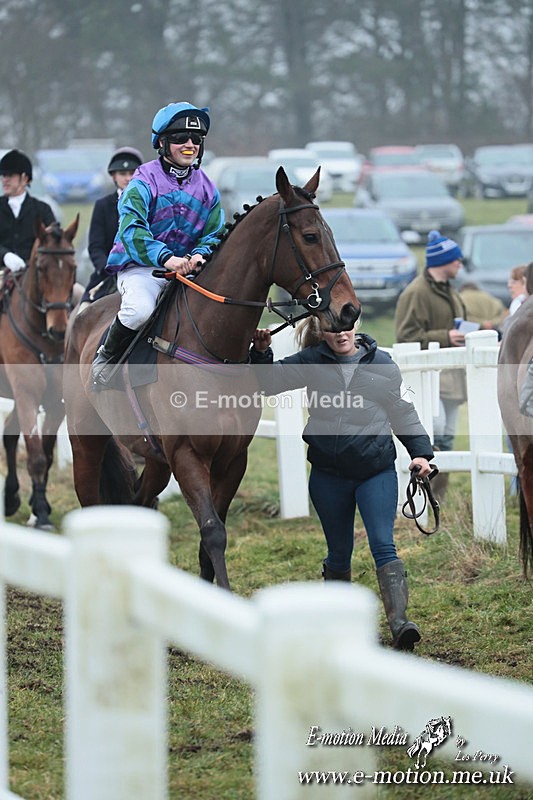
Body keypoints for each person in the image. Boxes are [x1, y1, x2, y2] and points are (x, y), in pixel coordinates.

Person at [250, 319, 434, 651]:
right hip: (328, 476)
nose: (341, 334)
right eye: (333, 329)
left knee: (383, 545)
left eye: (347, 327)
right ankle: (339, 626)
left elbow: (403, 412)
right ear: (321, 333)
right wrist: (261, 352)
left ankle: (399, 623)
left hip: (375, 471)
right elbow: (269, 384)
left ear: (356, 327)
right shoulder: (311, 361)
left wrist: (421, 454)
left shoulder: (383, 365)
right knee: (339, 552)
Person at [92, 101, 226, 384]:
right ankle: (106, 357)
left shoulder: (208, 188)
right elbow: (132, 231)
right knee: (139, 310)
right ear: (162, 143)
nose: (189, 145)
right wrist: (167, 258)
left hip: (189, 272)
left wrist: (201, 254)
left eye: (196, 140)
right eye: (180, 139)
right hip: (142, 270)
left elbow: (214, 232)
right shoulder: (141, 183)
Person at [395, 230, 467, 501]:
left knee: (447, 440)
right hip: (428, 381)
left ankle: (439, 499)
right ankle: (425, 498)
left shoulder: (450, 289)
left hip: (451, 378)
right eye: (455, 259)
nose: (460, 263)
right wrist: (444, 336)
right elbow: (406, 336)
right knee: (434, 441)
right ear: (443, 261)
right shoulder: (416, 292)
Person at [80, 146, 144, 308]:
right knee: (83, 312)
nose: (128, 178)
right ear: (113, 176)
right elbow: (95, 246)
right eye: (123, 174)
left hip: (141, 272)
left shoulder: (149, 203)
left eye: (132, 174)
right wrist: (107, 267)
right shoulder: (102, 205)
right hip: (107, 275)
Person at [0, 149, 56, 279]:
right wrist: (5, 255)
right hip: (2, 272)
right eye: (3, 176)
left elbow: (54, 239)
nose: (5, 180)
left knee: (77, 292)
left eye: (10, 176)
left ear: (24, 178)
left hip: (37, 274)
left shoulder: (43, 209)